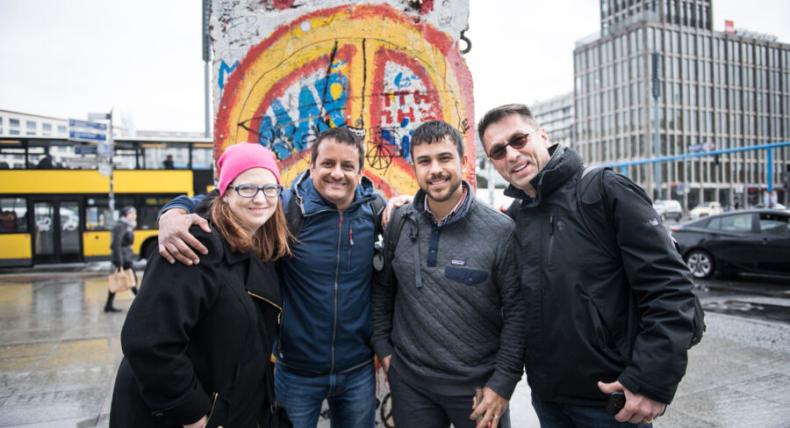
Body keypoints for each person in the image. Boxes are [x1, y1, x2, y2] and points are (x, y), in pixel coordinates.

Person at [477, 104, 701, 427]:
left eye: (519, 140)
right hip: (548, 401)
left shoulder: (604, 190)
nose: (512, 155)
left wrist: (651, 381)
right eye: (498, 151)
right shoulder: (516, 218)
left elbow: (672, 289)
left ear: (542, 136)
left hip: (613, 402)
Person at [157, 128, 383, 428]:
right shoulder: (286, 206)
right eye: (327, 164)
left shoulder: (375, 211)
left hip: (358, 371)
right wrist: (172, 211)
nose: (337, 174)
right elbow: (223, 196)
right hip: (297, 371)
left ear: (360, 171)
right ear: (312, 166)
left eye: (347, 166)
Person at [110, 143, 290, 427]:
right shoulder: (195, 243)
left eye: (270, 189)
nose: (260, 198)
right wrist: (192, 413)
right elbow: (148, 341)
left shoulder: (260, 244)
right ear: (226, 192)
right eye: (247, 188)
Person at [371, 120, 527, 428]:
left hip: (479, 391)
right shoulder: (400, 223)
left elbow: (518, 314)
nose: (435, 170)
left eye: (444, 158)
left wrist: (503, 384)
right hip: (411, 386)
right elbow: (382, 292)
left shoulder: (501, 230)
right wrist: (385, 351)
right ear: (414, 167)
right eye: (424, 161)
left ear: (464, 162)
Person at [104, 206, 139, 313]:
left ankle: (108, 306)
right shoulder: (120, 226)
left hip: (126, 256)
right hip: (122, 258)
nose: (134, 215)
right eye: (131, 213)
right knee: (132, 280)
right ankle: (141, 303)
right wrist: (119, 262)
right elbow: (116, 244)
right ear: (125, 215)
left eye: (134, 213)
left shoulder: (127, 226)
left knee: (121, 279)